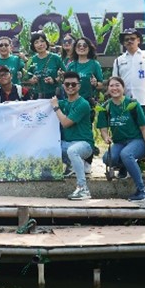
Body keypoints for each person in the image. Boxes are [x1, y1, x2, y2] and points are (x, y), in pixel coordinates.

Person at [98, 76, 145, 202]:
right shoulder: (105, 107)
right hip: (120, 142)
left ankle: (142, 191)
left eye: (117, 85)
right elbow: (102, 128)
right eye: (111, 85)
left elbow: (144, 128)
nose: (114, 88)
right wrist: (106, 137)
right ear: (107, 89)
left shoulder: (132, 104)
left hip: (137, 141)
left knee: (126, 154)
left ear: (123, 88)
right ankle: (124, 167)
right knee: (107, 158)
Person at [51, 71, 94, 200]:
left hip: (84, 145)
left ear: (79, 86)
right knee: (48, 145)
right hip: (68, 144)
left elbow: (65, 123)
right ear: (63, 86)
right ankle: (71, 165)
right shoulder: (63, 103)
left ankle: (83, 188)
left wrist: (56, 108)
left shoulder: (83, 104)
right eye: (67, 84)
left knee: (72, 150)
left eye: (73, 84)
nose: (70, 87)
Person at [112, 28, 145, 117]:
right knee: (128, 130)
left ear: (138, 40)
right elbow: (115, 81)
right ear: (123, 43)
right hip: (125, 102)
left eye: (132, 38)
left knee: (144, 130)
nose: (129, 41)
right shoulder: (118, 60)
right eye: (126, 39)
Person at [24, 31, 66, 99]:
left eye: (42, 41)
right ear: (33, 46)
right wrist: (32, 80)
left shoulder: (56, 58)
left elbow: (65, 75)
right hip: (38, 96)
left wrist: (54, 80)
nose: (40, 44)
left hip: (55, 95)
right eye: (36, 42)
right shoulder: (31, 60)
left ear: (46, 43)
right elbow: (26, 78)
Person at [66, 37, 104, 105]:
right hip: (73, 102)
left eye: (85, 45)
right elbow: (66, 84)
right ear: (75, 48)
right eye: (79, 45)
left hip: (89, 102)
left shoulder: (95, 64)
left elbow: (101, 85)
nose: (81, 47)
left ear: (89, 48)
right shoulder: (71, 65)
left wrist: (96, 84)